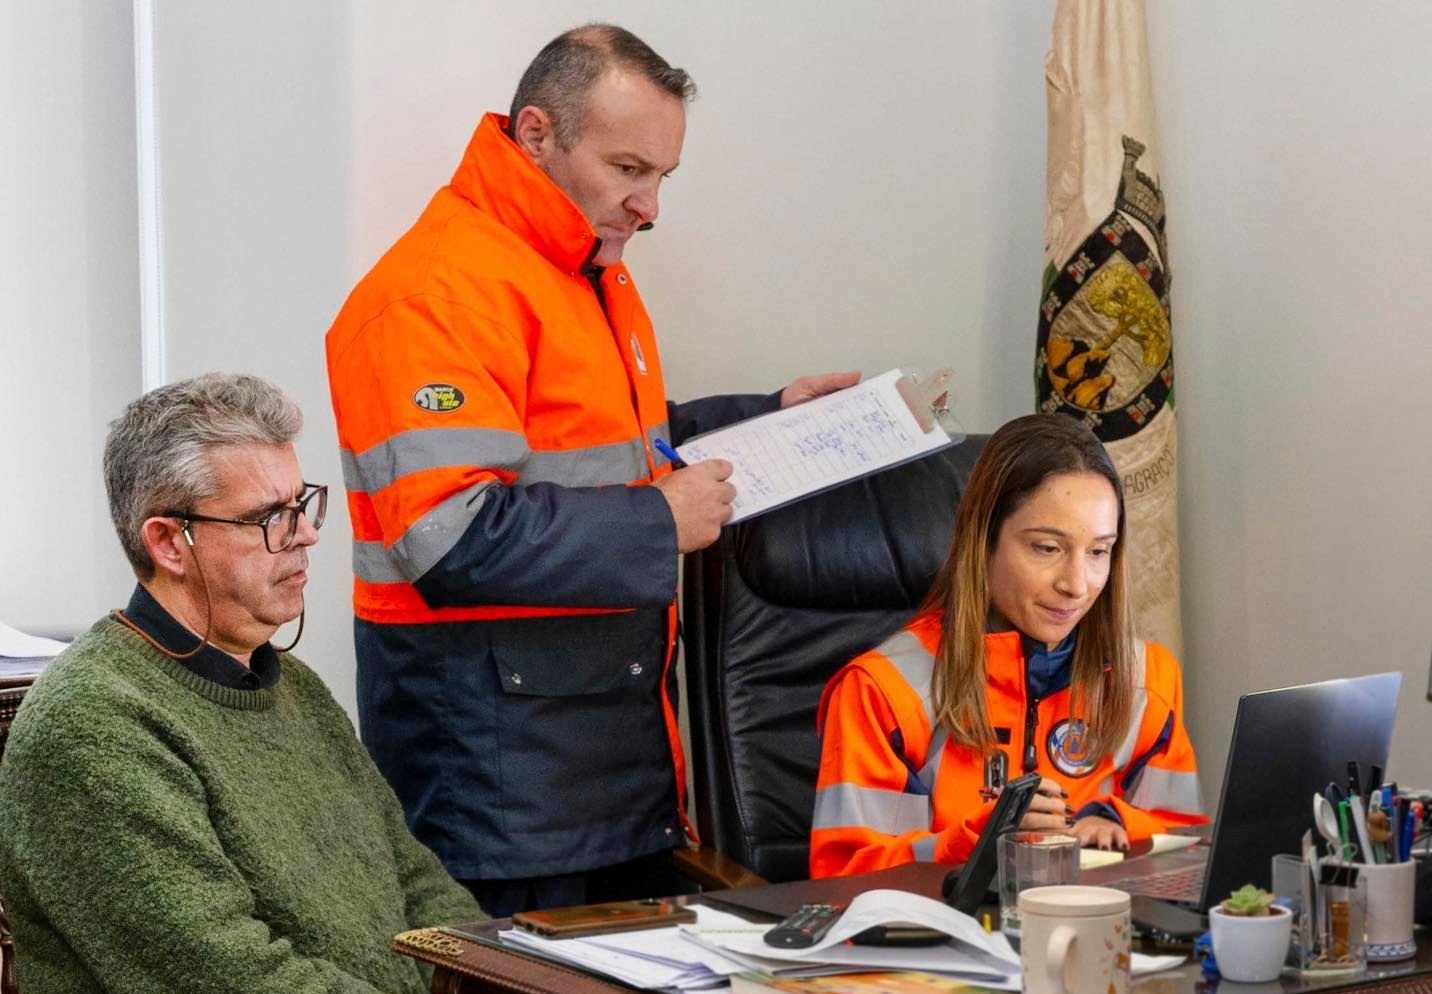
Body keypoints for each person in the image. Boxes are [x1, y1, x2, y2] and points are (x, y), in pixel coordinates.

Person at [325, 23, 855, 915]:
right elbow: (448, 537)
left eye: (662, 177)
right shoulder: (439, 293)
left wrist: (768, 419)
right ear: (537, 135)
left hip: (608, 774)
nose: (649, 205)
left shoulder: (583, 271)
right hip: (501, 798)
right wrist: (660, 521)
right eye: (627, 169)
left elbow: (612, 450)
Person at [0, 373, 483, 993]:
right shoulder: (90, 727)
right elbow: (225, 974)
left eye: (302, 504)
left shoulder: (295, 688)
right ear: (170, 542)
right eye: (270, 517)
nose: (306, 534)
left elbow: (419, 886)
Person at [809, 413, 1206, 878]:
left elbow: (1186, 848)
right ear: (984, 542)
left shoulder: (1149, 680)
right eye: (1046, 548)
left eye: (1098, 551)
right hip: (946, 943)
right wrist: (978, 842)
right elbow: (845, 879)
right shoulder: (883, 690)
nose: (1077, 585)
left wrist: (1115, 821)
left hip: (1102, 938)